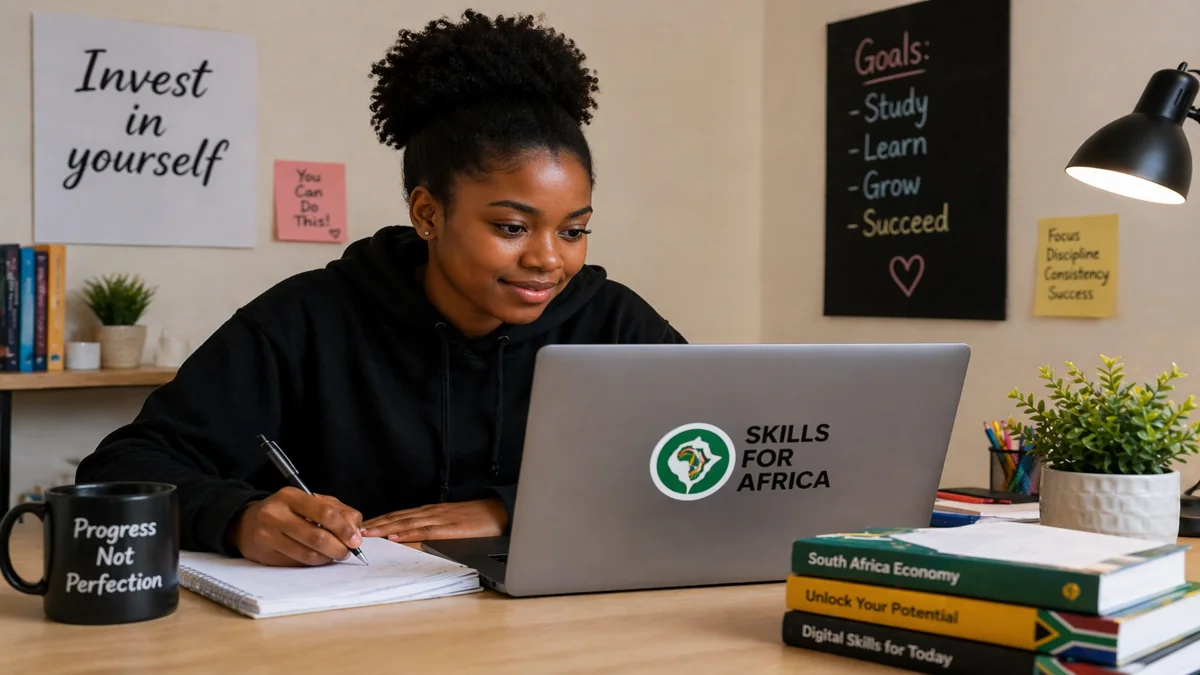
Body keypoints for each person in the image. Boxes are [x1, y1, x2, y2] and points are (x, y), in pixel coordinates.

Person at [74, 9, 685, 568]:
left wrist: (511, 509)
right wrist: (236, 517)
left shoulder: (614, 326)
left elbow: (714, 461)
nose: (548, 259)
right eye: (511, 227)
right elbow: (122, 469)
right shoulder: (306, 319)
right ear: (428, 213)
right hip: (354, 632)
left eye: (575, 230)